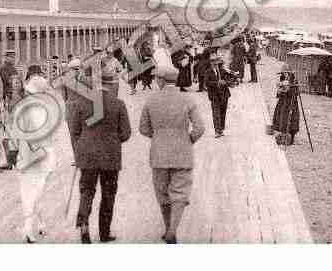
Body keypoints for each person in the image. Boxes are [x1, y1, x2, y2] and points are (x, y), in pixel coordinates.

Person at [139, 65, 205, 244]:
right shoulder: (188, 100)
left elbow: (143, 129)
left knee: (162, 193)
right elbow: (200, 127)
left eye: (156, 78)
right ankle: (173, 230)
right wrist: (188, 139)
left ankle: (167, 227)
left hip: (159, 155)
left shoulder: (151, 101)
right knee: (180, 192)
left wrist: (159, 136)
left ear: (160, 80)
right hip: (182, 154)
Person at [67, 72, 132, 243]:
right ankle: (104, 233)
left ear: (97, 84)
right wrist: (112, 139)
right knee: (108, 193)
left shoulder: (82, 103)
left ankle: (84, 227)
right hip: (110, 157)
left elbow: (74, 131)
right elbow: (126, 133)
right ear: (111, 85)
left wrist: (81, 148)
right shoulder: (118, 104)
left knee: (86, 192)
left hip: (87, 156)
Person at [16, 69, 58, 243]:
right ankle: (31, 227)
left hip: (26, 156)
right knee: (37, 192)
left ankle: (37, 224)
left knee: (29, 192)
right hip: (42, 156)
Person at [205, 55, 232, 138]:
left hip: (224, 94)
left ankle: (221, 129)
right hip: (214, 95)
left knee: (222, 113)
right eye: (213, 62)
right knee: (216, 113)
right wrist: (217, 83)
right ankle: (217, 131)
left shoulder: (222, 70)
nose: (215, 64)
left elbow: (229, 79)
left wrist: (226, 82)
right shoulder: (208, 72)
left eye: (216, 62)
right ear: (211, 63)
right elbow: (207, 83)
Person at [272, 71, 300, 145]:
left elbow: (296, 92)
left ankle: (291, 137)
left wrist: (289, 89)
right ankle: (282, 135)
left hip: (291, 103)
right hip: (282, 102)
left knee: (291, 119)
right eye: (283, 73)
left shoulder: (293, 80)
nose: (284, 74)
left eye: (286, 73)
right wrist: (280, 91)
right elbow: (279, 93)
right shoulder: (282, 78)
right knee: (280, 118)